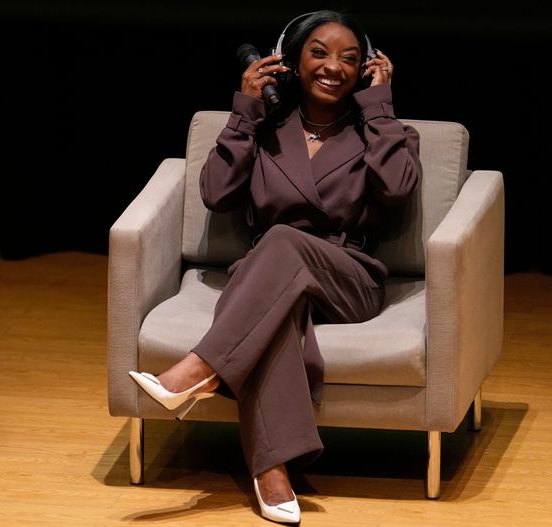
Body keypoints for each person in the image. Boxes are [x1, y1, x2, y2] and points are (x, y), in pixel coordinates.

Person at [128, 9, 421, 524]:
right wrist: (243, 112)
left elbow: (397, 189)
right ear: (290, 62)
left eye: (351, 59)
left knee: (284, 240)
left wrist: (379, 107)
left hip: (347, 278)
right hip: (267, 281)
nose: (335, 66)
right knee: (274, 319)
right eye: (320, 53)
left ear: (367, 69)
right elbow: (216, 195)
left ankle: (199, 369)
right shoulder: (265, 129)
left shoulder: (385, 130)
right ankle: (273, 472)